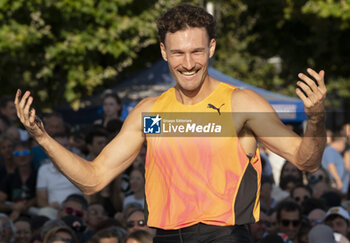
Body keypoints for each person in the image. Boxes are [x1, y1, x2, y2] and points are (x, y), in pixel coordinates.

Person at [14, 3, 327, 242]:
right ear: (164, 51)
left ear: (212, 48)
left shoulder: (240, 104)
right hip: (164, 235)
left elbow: (306, 160)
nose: (188, 63)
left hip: (224, 236)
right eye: (178, 53)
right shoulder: (151, 114)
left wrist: (315, 119)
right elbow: (93, 179)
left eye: (196, 52)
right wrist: (42, 138)